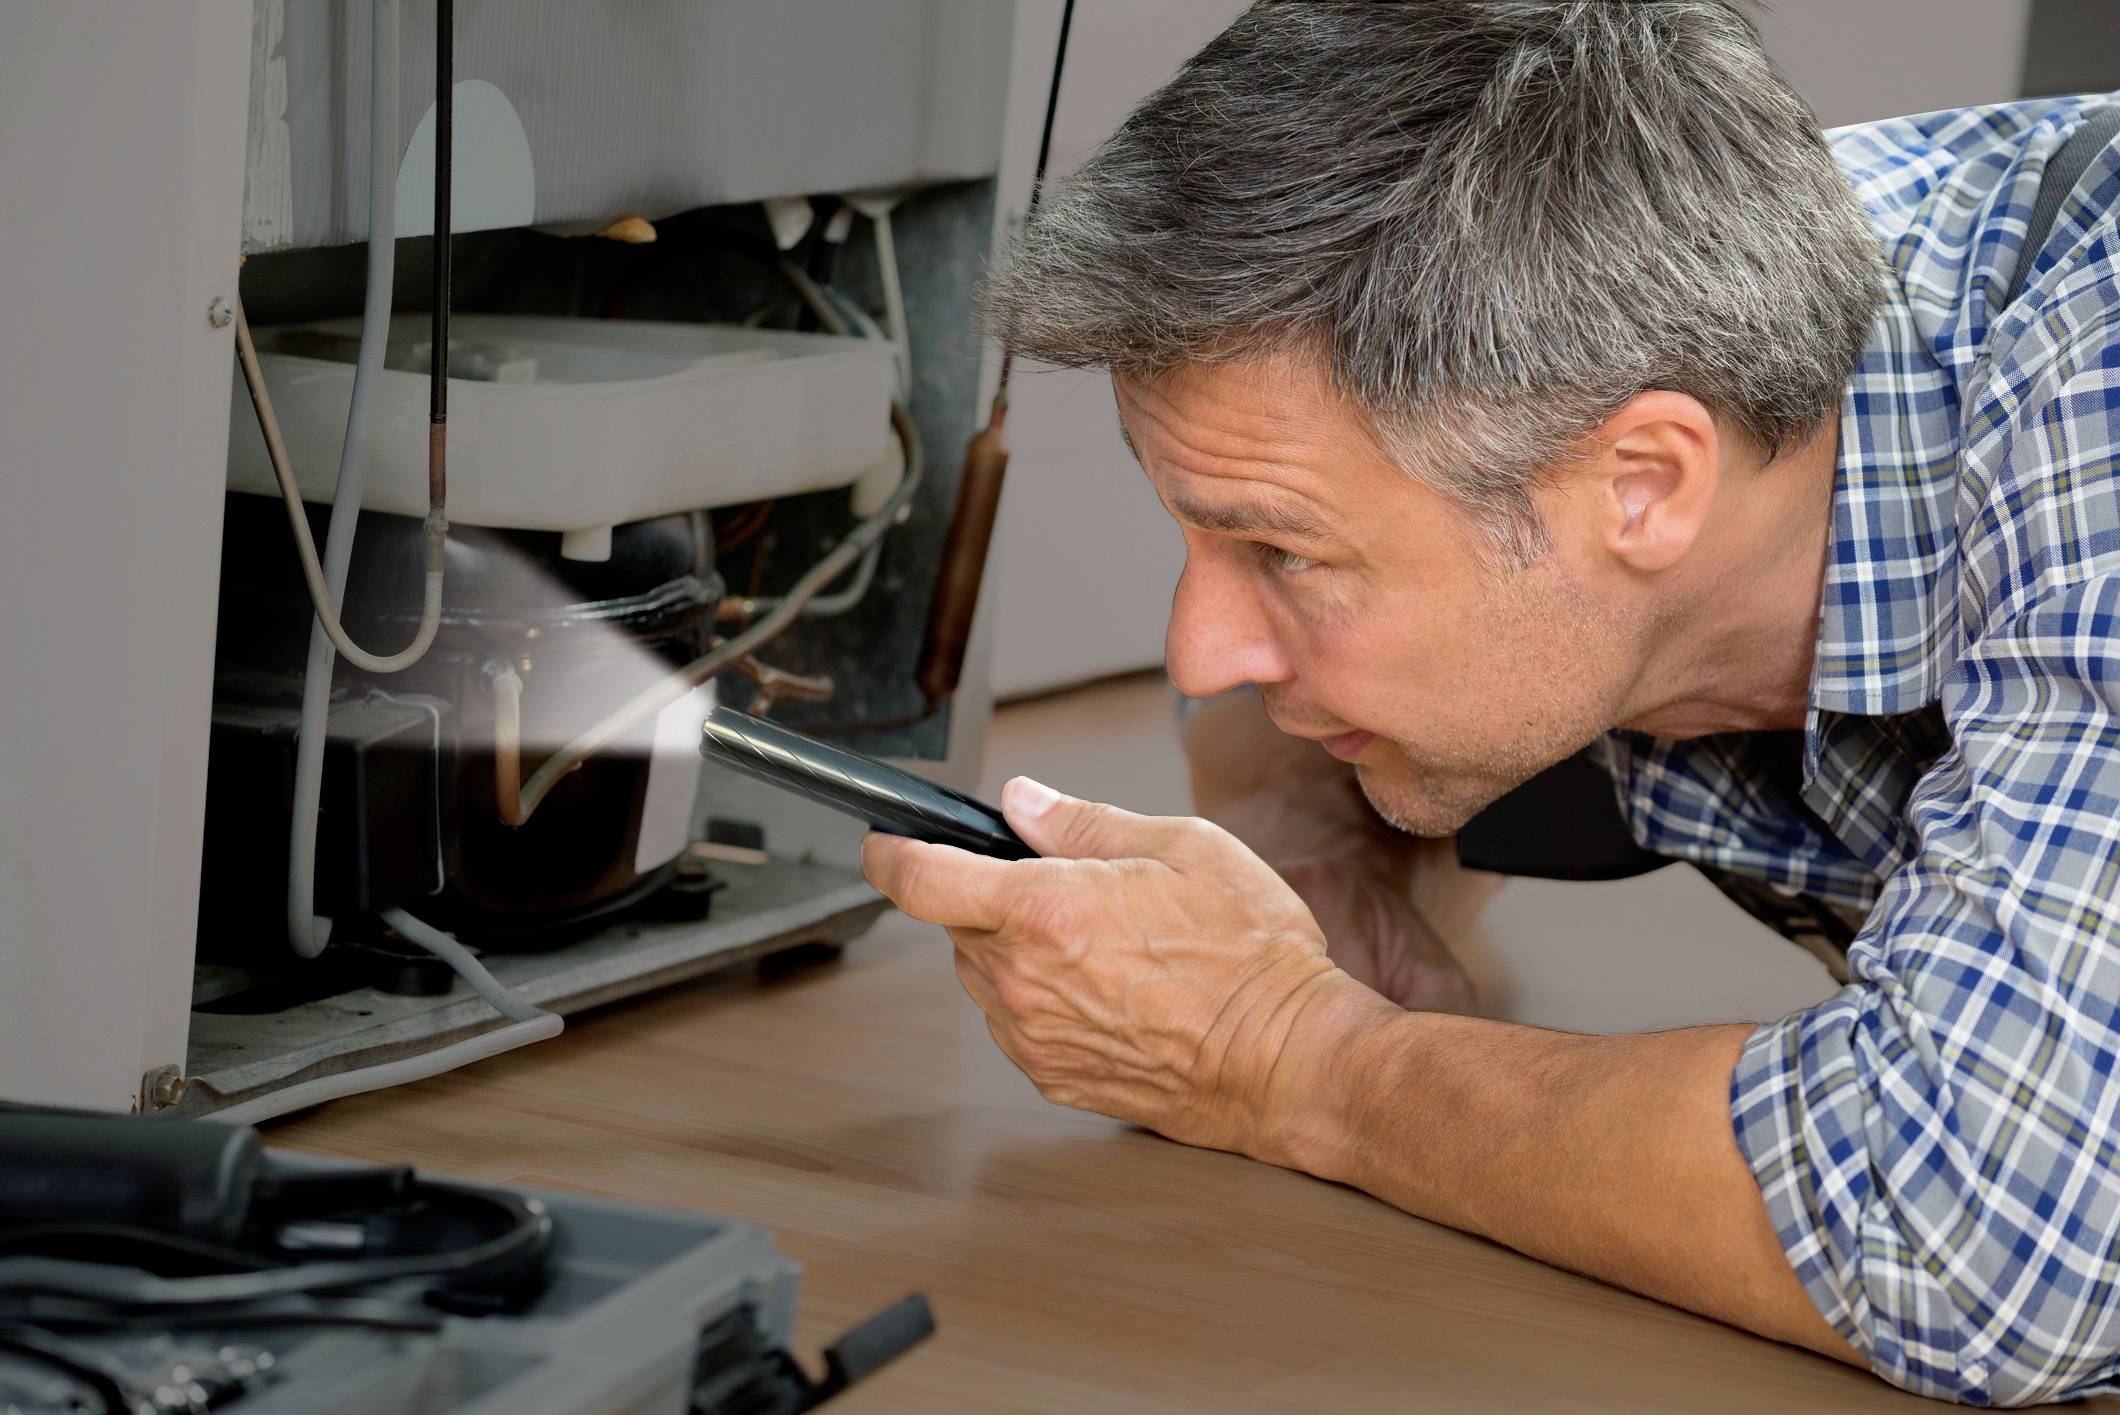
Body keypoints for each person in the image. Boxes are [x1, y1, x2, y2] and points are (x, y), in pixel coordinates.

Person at [859, 2, 2120, 1404]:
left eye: (1282, 555)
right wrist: (1320, 863)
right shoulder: (1625, 317)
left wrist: (1283, 1052)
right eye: (1201, 541)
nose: (1204, 652)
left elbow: (1981, 1232)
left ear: (1644, 482)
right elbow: (1364, 585)